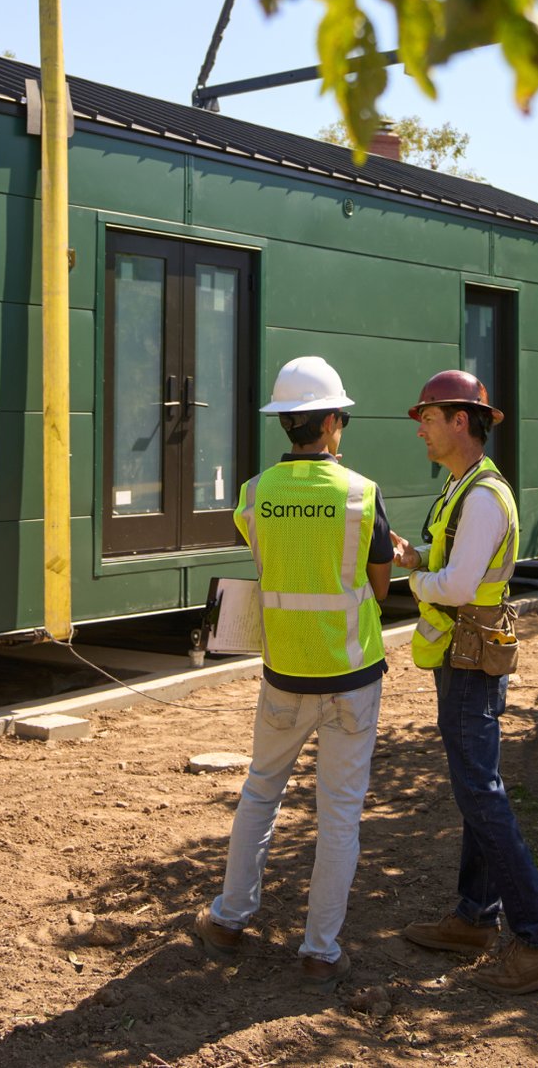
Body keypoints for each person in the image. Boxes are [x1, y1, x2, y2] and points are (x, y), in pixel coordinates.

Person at [192, 356, 393, 993]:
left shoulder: (254, 495)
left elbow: (272, 561)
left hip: (284, 674)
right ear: (333, 421)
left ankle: (228, 920)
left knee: (260, 792)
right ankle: (320, 951)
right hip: (352, 675)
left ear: (285, 422)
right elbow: (381, 587)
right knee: (338, 815)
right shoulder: (361, 494)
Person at [387, 369, 538, 996]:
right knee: (476, 792)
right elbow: (455, 568)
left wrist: (412, 582)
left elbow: (462, 586)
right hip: (462, 658)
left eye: (428, 418)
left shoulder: (484, 496)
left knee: (481, 797)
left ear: (460, 421)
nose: (421, 429)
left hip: (470, 663)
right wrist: (419, 559)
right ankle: (474, 917)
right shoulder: (462, 488)